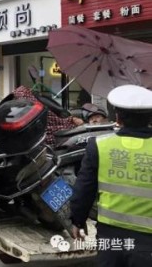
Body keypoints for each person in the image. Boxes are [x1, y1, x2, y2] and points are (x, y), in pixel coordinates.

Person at [70, 84, 152, 266]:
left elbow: (84, 189)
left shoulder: (99, 145)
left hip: (110, 239)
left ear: (118, 117)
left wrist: (77, 220)